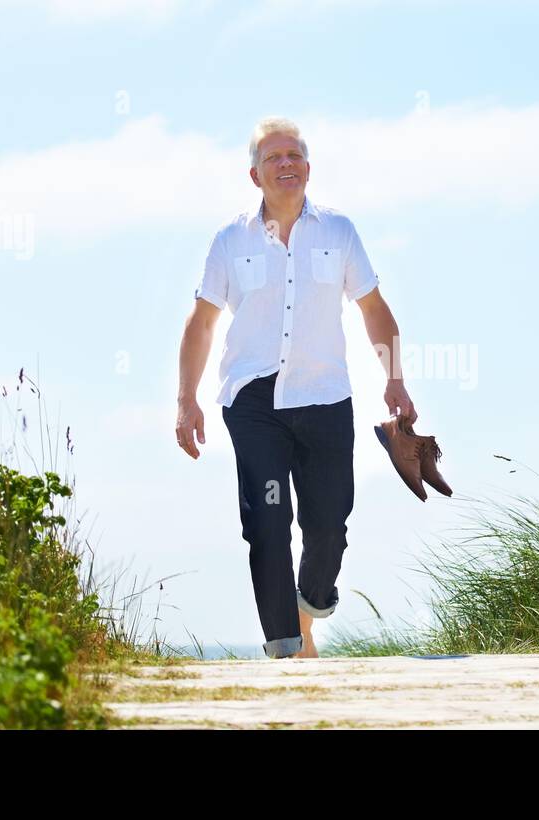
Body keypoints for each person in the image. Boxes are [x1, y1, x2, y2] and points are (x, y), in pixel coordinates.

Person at [175, 116, 416, 659]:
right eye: (274, 158)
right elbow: (202, 323)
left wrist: (395, 379)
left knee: (328, 525)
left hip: (325, 396)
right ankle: (285, 648)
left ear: (308, 167)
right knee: (267, 517)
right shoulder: (229, 240)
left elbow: (374, 310)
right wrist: (187, 400)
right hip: (254, 400)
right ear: (254, 175)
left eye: (295, 155)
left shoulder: (339, 232)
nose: (287, 164)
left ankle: (310, 609)